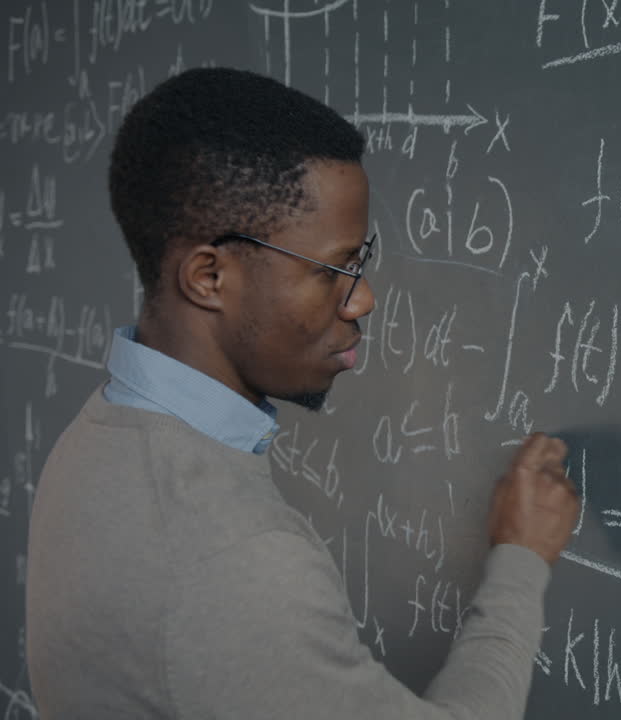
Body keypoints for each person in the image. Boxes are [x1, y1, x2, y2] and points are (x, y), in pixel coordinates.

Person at [26, 67, 580, 719]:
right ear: (209, 276)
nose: (363, 296)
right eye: (332, 270)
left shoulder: (91, 443)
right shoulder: (236, 562)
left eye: (360, 261)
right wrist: (520, 561)